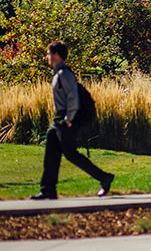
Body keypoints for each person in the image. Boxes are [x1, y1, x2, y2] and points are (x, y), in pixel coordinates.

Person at [32, 41, 115, 200]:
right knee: (51, 152)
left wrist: (69, 120)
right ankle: (47, 190)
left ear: (56, 55)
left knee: (70, 153)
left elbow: (73, 98)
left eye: (48, 54)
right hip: (58, 118)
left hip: (67, 118)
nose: (46, 57)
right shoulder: (58, 73)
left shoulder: (64, 74)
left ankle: (104, 177)